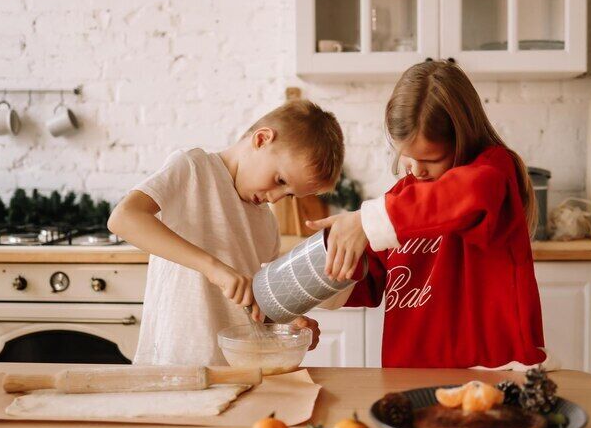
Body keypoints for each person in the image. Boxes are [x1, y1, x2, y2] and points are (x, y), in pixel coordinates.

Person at [309, 61, 552, 370]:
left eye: (431, 159)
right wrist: (313, 280)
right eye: (407, 156)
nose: (416, 170)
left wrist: (363, 221)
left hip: (487, 370)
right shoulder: (402, 198)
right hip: (410, 370)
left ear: (463, 139)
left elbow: (467, 194)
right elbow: (370, 280)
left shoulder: (494, 171)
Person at [109, 100, 344, 366]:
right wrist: (214, 268)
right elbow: (123, 218)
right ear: (262, 139)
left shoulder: (267, 224)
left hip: (238, 369)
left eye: (289, 195)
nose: (276, 198)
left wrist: (289, 324)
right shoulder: (194, 169)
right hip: (177, 361)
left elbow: (253, 307)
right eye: (280, 180)